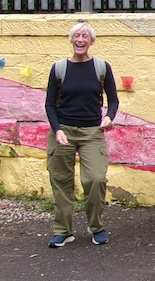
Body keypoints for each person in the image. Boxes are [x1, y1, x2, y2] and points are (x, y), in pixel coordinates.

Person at [44, 22, 119, 247]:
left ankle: (96, 226)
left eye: (85, 36)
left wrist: (109, 117)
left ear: (91, 41)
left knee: (95, 179)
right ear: (71, 40)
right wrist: (57, 130)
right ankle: (63, 230)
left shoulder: (101, 67)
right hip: (63, 131)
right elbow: (49, 104)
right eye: (76, 35)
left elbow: (113, 99)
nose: (80, 39)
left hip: (92, 133)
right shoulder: (59, 68)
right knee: (61, 182)